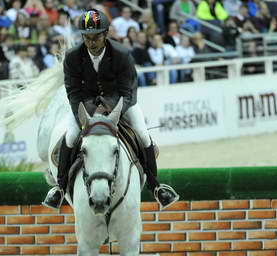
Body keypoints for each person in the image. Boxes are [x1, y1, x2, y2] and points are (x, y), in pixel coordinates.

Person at [43, 9, 179, 210]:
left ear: (105, 34)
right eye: (87, 37)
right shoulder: (72, 57)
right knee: (71, 135)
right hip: (86, 104)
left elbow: (128, 90)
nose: (91, 42)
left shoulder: (122, 54)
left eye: (96, 36)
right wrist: (82, 114)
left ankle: (155, 185)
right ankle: (60, 187)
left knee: (142, 134)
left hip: (120, 102)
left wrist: (112, 111)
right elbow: (72, 91)